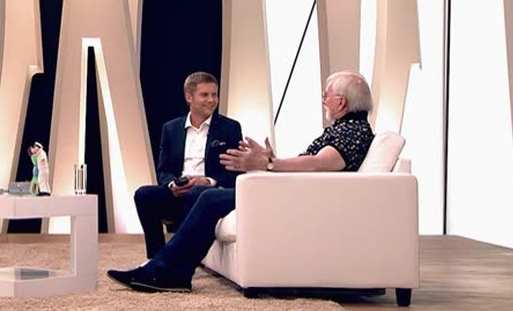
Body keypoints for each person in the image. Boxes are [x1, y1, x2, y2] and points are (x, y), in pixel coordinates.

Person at [108, 71, 376, 292]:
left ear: (341, 102)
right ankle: (165, 267)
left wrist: (269, 164)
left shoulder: (352, 132)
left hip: (295, 194)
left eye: (326, 96)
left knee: (208, 196)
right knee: (189, 196)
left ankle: (167, 271)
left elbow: (321, 163)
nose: (324, 101)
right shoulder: (344, 129)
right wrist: (270, 161)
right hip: (292, 190)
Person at [134, 72, 243, 258]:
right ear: (189, 97)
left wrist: (208, 181)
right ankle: (156, 257)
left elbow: (235, 172)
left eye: (214, 94)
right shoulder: (171, 129)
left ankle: (177, 256)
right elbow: (164, 170)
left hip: (207, 193)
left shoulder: (230, 128)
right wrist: (173, 184)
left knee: (196, 193)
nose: (211, 100)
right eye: (205, 95)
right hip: (179, 191)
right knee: (144, 194)